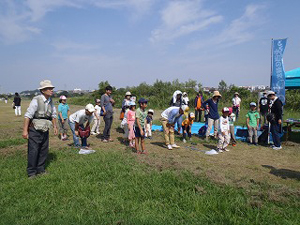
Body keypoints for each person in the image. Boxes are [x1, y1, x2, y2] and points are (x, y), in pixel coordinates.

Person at [22, 80, 58, 178]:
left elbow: (53, 115)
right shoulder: (36, 100)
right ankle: (31, 173)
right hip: (35, 129)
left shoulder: (51, 101)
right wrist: (25, 130)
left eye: (52, 88)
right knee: (33, 150)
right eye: (49, 88)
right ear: (43, 90)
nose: (51, 90)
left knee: (43, 150)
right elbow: (28, 116)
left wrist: (55, 127)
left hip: (45, 129)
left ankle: (40, 170)